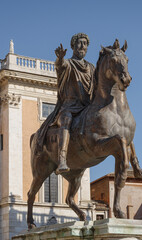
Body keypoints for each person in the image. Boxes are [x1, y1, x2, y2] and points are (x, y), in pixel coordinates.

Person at [36, 33, 95, 174]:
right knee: (66, 120)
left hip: (86, 106)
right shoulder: (68, 63)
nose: (82, 46)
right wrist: (60, 58)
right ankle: (62, 158)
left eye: (85, 43)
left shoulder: (92, 67)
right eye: (79, 43)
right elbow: (60, 66)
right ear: (73, 46)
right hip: (70, 106)